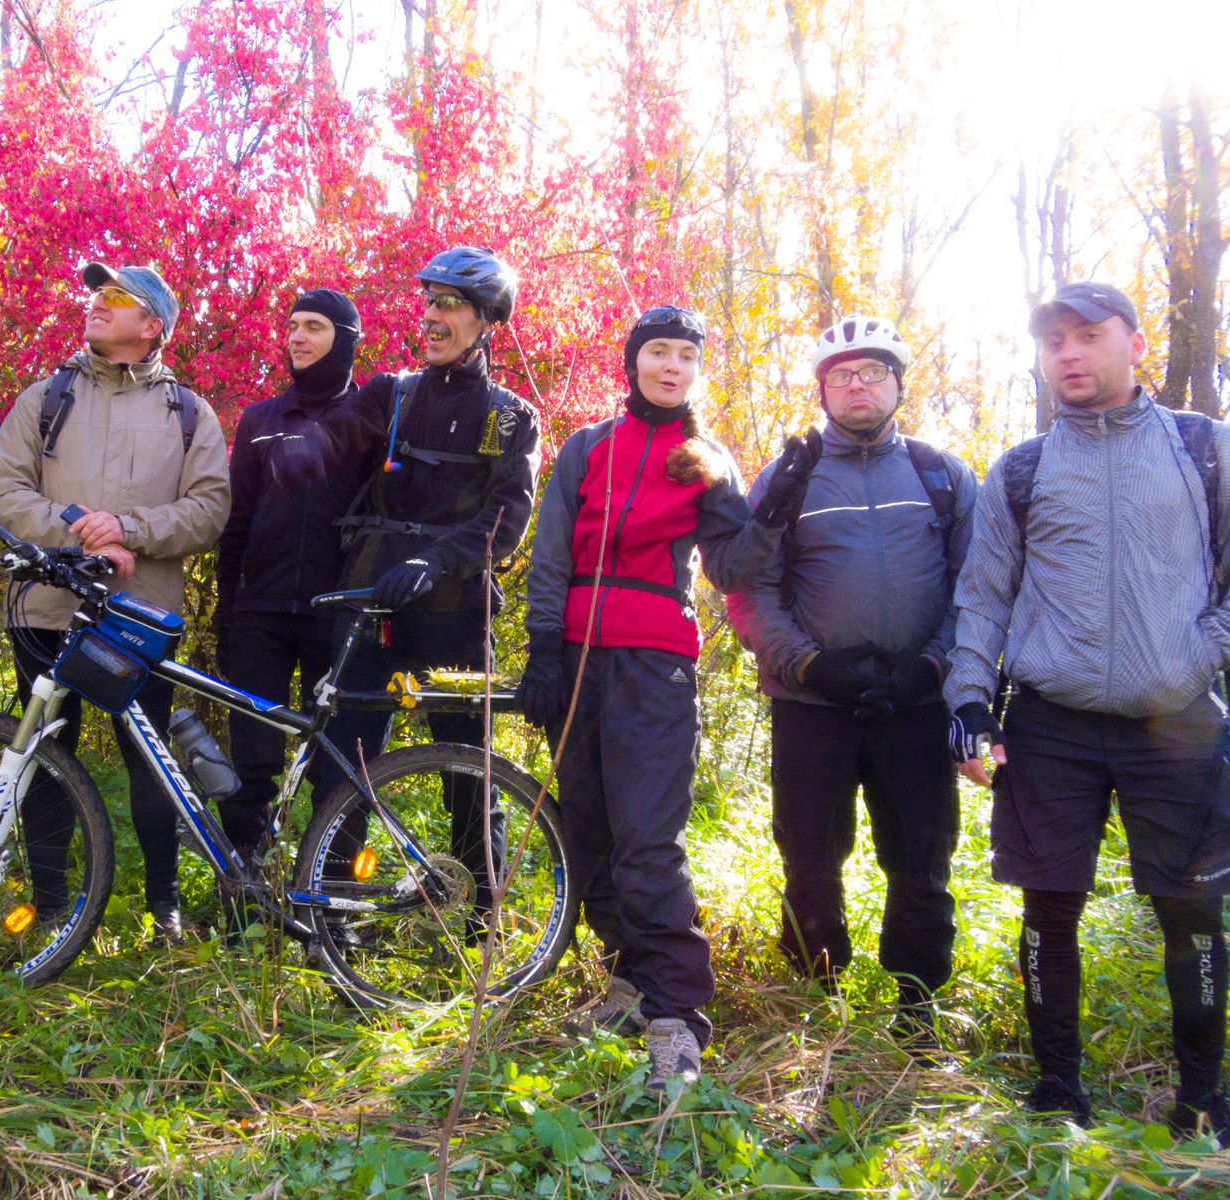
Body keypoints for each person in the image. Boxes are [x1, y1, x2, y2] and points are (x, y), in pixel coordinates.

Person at [947, 281, 1230, 1139]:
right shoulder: (1022, 469)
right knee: (1049, 906)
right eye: (1053, 341)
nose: (1068, 353)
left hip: (1176, 720)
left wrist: (1200, 654)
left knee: (1191, 911)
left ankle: (1202, 1099)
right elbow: (984, 596)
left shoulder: (1204, 449)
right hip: (1052, 722)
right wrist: (969, 700)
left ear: (1134, 344)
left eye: (1088, 335)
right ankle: (1057, 1088)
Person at [516, 306, 779, 1093]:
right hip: (576, 660)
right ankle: (627, 986)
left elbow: (731, 570)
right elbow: (551, 555)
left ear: (697, 370)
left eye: (686, 355)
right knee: (590, 830)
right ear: (633, 362)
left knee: (646, 839)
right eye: (658, 351)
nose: (671, 366)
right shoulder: (587, 447)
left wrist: (772, 515)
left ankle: (676, 1022)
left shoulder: (706, 459)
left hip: (656, 663)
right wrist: (543, 649)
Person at [728, 315, 976, 1049]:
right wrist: (808, 664)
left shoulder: (941, 475)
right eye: (842, 375)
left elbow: (978, 588)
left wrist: (933, 665)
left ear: (898, 384)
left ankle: (917, 1008)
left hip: (916, 703)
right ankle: (814, 1002)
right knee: (808, 855)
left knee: (921, 859)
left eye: (873, 372)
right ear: (822, 391)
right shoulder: (790, 476)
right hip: (813, 704)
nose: (858, 385)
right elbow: (749, 589)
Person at [0, 262, 230, 944]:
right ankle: (52, 908)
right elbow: (4, 490)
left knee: (150, 761)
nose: (97, 301)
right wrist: (82, 532)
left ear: (153, 327)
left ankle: (164, 909)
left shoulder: (190, 413)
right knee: (45, 755)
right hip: (48, 607)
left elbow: (209, 509)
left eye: (116, 296)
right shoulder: (45, 398)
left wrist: (129, 530)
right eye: (95, 292)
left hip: (139, 614)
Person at [315, 247, 539, 918]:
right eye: (429, 302)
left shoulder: (508, 415)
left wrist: (434, 562)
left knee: (468, 769)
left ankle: (480, 922)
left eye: (449, 305)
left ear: (486, 321)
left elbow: (507, 518)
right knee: (345, 762)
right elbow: (325, 448)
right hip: (370, 603)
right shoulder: (393, 393)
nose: (431, 317)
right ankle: (336, 911)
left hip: (453, 610)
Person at [214, 289, 378, 871]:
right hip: (260, 613)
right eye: (292, 326)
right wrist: (227, 610)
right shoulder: (260, 420)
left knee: (340, 766)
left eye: (314, 326)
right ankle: (247, 891)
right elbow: (236, 521)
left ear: (345, 340)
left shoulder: (374, 421)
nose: (298, 337)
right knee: (252, 759)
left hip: (339, 617)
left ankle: (331, 896)